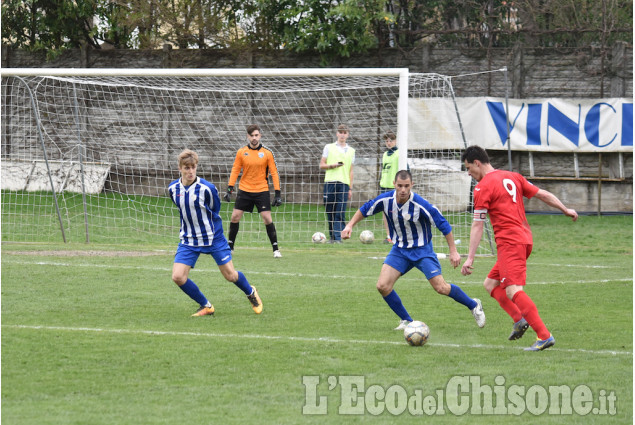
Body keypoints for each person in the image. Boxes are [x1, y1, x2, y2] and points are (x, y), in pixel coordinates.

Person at [460, 145, 578, 351]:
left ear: (477, 163)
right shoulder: (513, 176)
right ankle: (519, 319)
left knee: (513, 290)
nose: (469, 173)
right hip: (524, 239)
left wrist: (470, 258)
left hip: (510, 243)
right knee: (490, 284)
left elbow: (478, 224)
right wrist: (565, 209)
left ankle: (544, 335)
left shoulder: (482, 187)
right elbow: (542, 194)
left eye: (469, 168)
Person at [342, 170, 485, 331]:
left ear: (412, 186)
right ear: (394, 185)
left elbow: (443, 225)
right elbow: (366, 208)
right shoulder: (386, 200)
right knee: (383, 286)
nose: (403, 190)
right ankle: (407, 320)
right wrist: (349, 225)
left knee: (441, 288)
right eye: (400, 186)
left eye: (406, 186)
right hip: (400, 250)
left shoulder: (420, 205)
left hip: (422, 250)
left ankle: (474, 305)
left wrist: (453, 251)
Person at [169, 149, 263, 316]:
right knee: (178, 277)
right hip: (189, 239)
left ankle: (250, 292)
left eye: (193, 167)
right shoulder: (173, 189)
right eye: (186, 168)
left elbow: (215, 209)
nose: (190, 171)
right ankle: (206, 306)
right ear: (179, 168)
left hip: (213, 238)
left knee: (230, 276)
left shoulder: (207, 189)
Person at [224, 124, 283, 258]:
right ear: (248, 137)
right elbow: (235, 170)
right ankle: (230, 247)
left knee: (267, 218)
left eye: (256, 135)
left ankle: (276, 249)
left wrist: (277, 193)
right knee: (235, 217)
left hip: (261, 190)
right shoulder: (241, 152)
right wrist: (229, 189)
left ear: (260, 136)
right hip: (244, 189)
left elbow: (274, 173)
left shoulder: (267, 153)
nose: (254, 138)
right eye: (251, 136)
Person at [320, 124, 355, 243]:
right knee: (330, 210)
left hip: (344, 184)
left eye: (345, 133)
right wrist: (333, 165)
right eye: (340, 132)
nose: (342, 135)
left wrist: (350, 188)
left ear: (348, 135)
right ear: (337, 134)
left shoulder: (351, 151)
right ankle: (332, 237)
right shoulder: (329, 147)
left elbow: (351, 170)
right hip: (330, 182)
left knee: (340, 211)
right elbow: (322, 165)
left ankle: (338, 237)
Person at [379, 131, 400, 244]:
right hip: (384, 186)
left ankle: (398, 234)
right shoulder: (385, 154)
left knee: (395, 212)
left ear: (396, 141)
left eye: (391, 140)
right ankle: (389, 236)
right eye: (387, 141)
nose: (388, 143)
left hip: (394, 187)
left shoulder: (399, 154)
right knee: (385, 212)